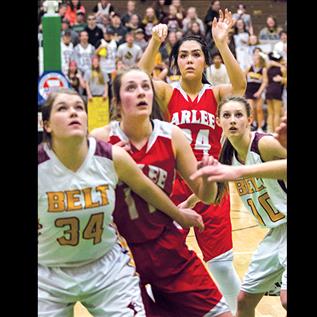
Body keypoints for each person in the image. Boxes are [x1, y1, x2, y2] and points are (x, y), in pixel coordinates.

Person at [38, 88, 204, 316]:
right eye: (63, 109)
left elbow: (146, 188)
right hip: (48, 274)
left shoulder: (110, 157)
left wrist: (179, 214)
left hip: (106, 268)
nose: (73, 113)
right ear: (46, 124)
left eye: (78, 107)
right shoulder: (40, 166)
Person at [91, 67, 233, 317]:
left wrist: (209, 178)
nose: (141, 93)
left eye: (146, 87)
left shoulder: (172, 135)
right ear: (116, 101)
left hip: (166, 246)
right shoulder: (100, 141)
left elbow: (206, 196)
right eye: (131, 88)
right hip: (121, 255)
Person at [138, 9, 246, 314]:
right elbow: (141, 76)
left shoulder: (217, 93)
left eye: (196, 54)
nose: (189, 59)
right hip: (173, 188)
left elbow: (240, 87)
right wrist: (154, 44)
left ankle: (238, 312)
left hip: (212, 186)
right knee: (164, 262)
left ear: (204, 61)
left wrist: (222, 45)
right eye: (183, 55)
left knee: (222, 264)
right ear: (176, 62)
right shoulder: (167, 91)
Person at [191, 96, 287, 317]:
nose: (232, 120)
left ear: (249, 120)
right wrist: (184, 205)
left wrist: (241, 173)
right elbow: (212, 196)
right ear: (218, 122)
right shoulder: (227, 155)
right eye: (226, 115)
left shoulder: (263, 144)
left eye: (238, 115)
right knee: (243, 301)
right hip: (276, 232)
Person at [245, 48, 267, 132]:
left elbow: (264, 82)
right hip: (249, 90)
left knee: (259, 109)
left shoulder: (263, 69)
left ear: (260, 59)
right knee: (250, 108)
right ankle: (252, 124)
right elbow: (242, 77)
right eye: (254, 57)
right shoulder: (249, 67)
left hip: (258, 91)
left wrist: (259, 92)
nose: (255, 59)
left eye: (257, 58)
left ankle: (260, 127)